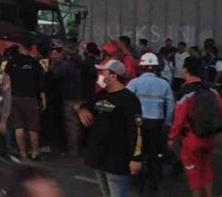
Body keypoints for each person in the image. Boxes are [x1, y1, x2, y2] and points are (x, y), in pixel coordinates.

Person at [76, 60, 142, 197]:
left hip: (117, 159)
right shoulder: (101, 95)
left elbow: (137, 130)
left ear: (113, 76)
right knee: (105, 193)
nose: (100, 76)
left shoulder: (129, 99)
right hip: (98, 156)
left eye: (103, 72)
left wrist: (136, 158)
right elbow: (82, 106)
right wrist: (81, 110)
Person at [168, 57, 222, 197]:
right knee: (206, 169)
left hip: (191, 139)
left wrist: (171, 138)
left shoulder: (185, 91)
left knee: (193, 174)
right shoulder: (211, 89)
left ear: (185, 69)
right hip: (209, 137)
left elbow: (178, 119)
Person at [126, 52, 174, 193]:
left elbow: (125, 101)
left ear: (141, 67)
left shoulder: (134, 83)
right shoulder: (164, 84)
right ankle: (153, 185)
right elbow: (171, 106)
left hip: (138, 123)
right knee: (154, 154)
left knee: (138, 152)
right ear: (156, 67)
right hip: (156, 124)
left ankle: (138, 184)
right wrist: (167, 123)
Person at [6, 37, 45, 160]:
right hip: (31, 98)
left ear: (21, 47)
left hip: (14, 97)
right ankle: (34, 152)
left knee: (19, 126)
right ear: (30, 49)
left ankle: (22, 153)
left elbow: (6, 80)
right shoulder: (34, 63)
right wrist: (43, 97)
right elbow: (40, 83)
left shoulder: (11, 63)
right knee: (33, 127)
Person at [53, 44, 82, 156]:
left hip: (70, 97)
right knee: (76, 124)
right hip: (78, 96)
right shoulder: (77, 64)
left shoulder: (66, 65)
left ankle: (72, 150)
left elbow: (55, 75)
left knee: (71, 124)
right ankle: (77, 147)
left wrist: (56, 63)